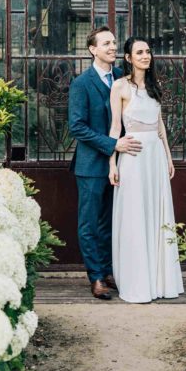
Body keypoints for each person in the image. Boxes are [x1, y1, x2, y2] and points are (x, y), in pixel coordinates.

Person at [68, 26, 143, 300]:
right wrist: (112, 144)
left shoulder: (123, 81)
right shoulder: (81, 83)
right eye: (106, 44)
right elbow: (76, 127)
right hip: (90, 166)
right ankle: (96, 277)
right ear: (93, 49)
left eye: (114, 43)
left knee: (111, 222)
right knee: (89, 223)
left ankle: (109, 270)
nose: (113, 47)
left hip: (122, 164)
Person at [108, 37, 184, 303]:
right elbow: (115, 128)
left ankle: (160, 280)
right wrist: (112, 162)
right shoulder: (120, 87)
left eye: (148, 51)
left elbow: (160, 124)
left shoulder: (155, 86)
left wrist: (169, 157)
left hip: (155, 157)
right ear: (128, 57)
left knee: (157, 212)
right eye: (139, 52)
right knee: (136, 214)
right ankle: (138, 282)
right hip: (133, 156)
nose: (145, 56)